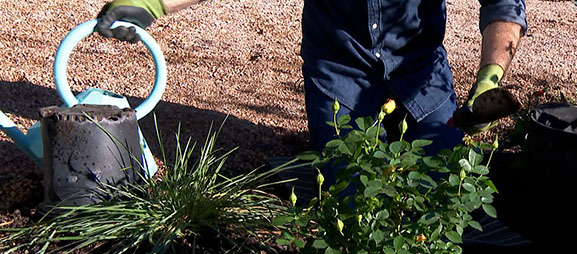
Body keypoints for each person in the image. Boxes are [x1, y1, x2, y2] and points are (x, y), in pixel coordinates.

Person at [95, 0, 527, 153]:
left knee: (443, 188)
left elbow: (504, 4)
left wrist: (489, 78)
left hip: (421, 79)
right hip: (341, 77)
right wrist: (152, 4)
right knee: (351, 195)